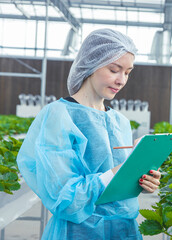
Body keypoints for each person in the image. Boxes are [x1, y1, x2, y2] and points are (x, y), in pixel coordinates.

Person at [16, 28, 161, 239]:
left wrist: (141, 181)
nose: (121, 80)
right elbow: (64, 198)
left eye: (128, 72)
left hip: (124, 230)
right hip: (78, 232)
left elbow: (119, 188)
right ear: (91, 64)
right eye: (114, 69)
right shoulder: (59, 115)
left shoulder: (119, 121)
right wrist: (118, 172)